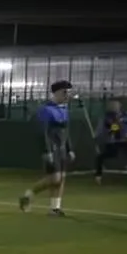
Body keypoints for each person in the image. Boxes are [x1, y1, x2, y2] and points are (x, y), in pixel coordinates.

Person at [20, 80, 75, 216]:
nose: (67, 95)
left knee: (61, 178)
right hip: (52, 147)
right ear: (56, 93)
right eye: (65, 92)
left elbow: (66, 131)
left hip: (62, 148)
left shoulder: (64, 109)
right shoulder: (46, 110)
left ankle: (55, 208)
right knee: (55, 178)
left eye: (68, 92)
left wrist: (70, 149)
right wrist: (47, 150)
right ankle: (29, 194)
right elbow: (42, 132)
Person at [94, 98, 127, 185]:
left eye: (116, 104)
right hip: (113, 142)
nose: (114, 106)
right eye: (112, 104)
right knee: (102, 156)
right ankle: (98, 176)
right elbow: (109, 130)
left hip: (126, 140)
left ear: (120, 105)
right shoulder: (107, 118)